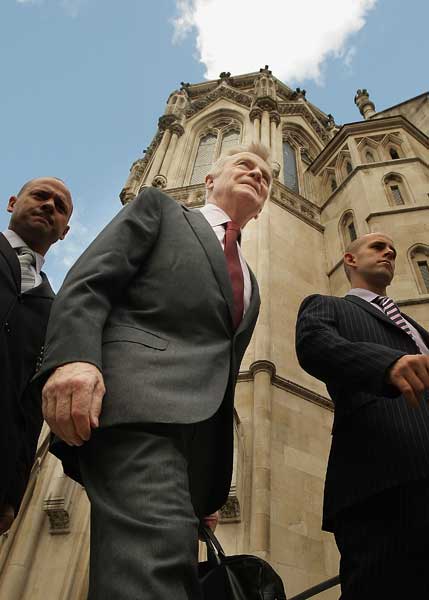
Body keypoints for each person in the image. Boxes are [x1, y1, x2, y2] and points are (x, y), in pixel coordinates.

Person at [38, 143, 272, 600]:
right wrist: (74, 359)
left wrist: (204, 486)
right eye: (245, 165)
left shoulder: (252, 281)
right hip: (137, 407)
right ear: (209, 179)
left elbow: (221, 376)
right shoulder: (161, 210)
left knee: (154, 571)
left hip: (192, 451)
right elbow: (89, 282)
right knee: (152, 571)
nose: (258, 176)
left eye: (266, 175)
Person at [295, 232, 429, 599]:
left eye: (393, 250)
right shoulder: (326, 305)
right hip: (381, 480)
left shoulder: (418, 331)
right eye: (377, 247)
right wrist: (386, 365)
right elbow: (314, 346)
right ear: (350, 260)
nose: (389, 252)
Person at [0, 177, 73, 534]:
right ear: (12, 203)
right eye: (40, 196)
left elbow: (31, 404)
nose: (49, 206)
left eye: (60, 207)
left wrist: (13, 491)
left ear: (65, 231)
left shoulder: (54, 308)